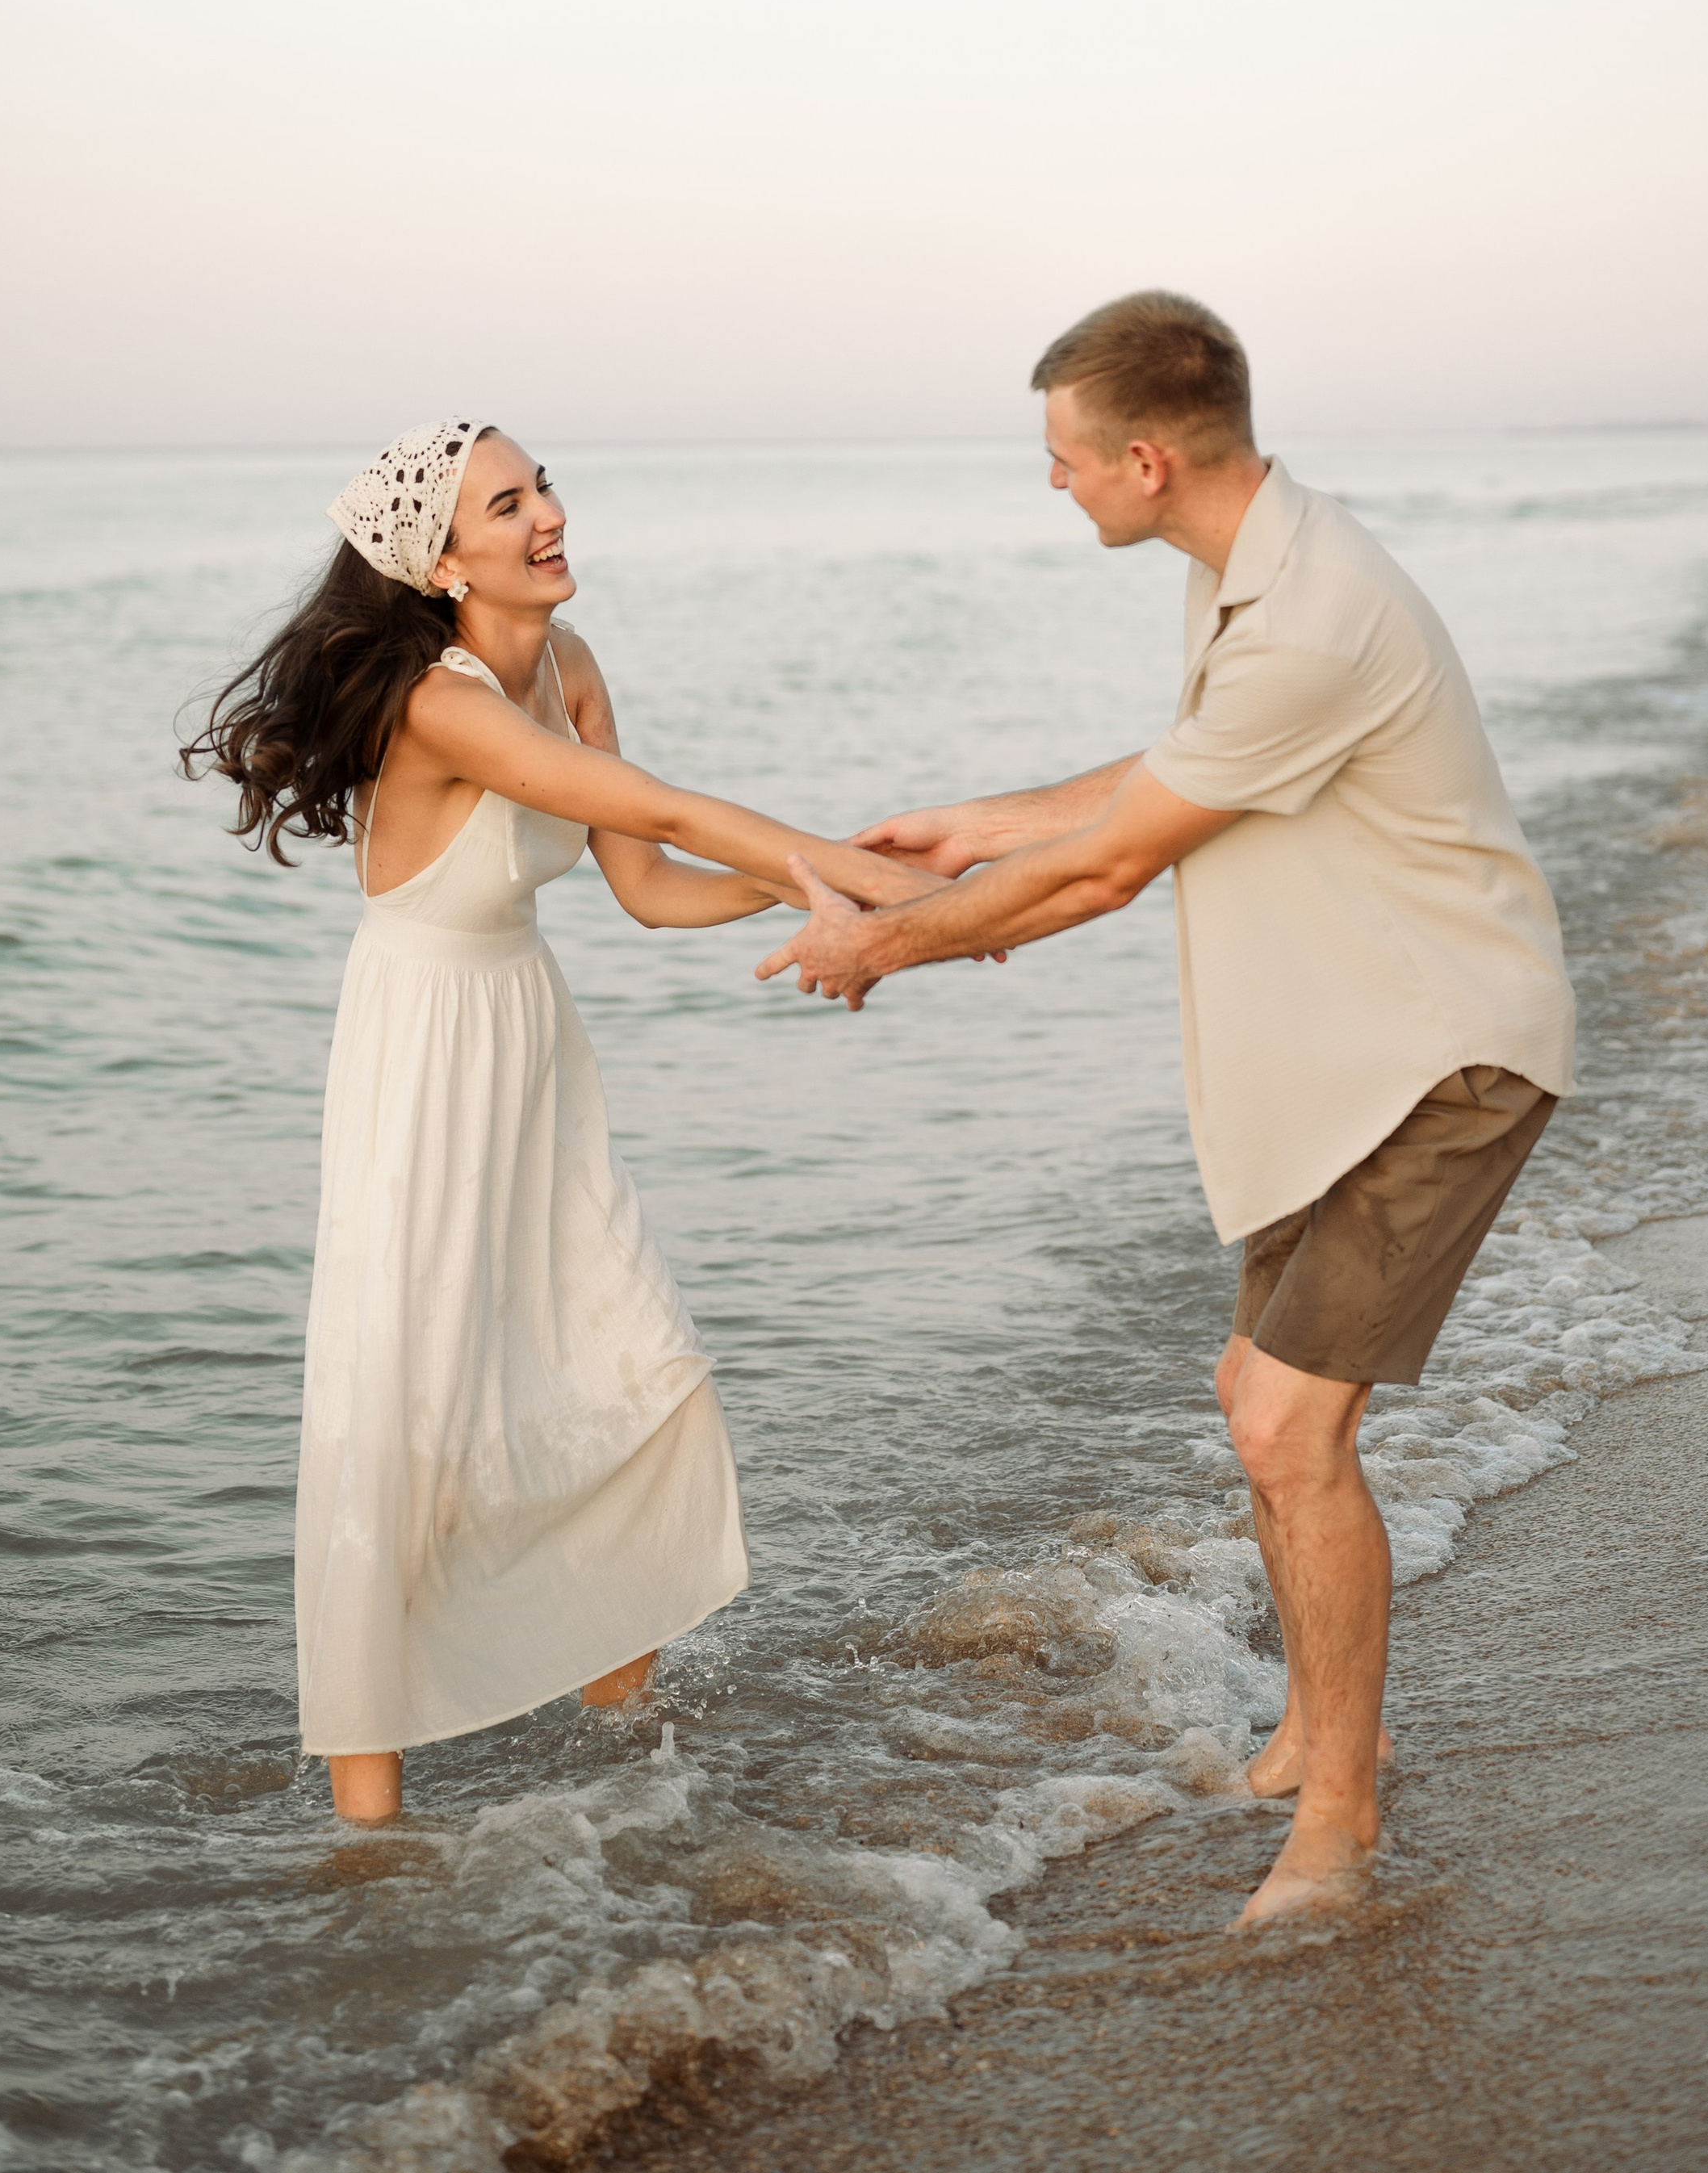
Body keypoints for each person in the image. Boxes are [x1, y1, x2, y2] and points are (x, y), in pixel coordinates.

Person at [758, 293, 1576, 1926]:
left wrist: (888, 943)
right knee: (1251, 1395)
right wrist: (974, 825)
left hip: (1439, 1057)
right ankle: (1310, 1729)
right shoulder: (1251, 562)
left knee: (1289, 1425)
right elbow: (1171, 775)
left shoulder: (1311, 609)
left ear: (1140, 456)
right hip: (1337, 1061)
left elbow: (1123, 861)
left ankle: (1336, 1815)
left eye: (1060, 460)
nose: (1051, 485)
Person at [184, 417, 939, 1827]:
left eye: (544, 489)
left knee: (637, 1368)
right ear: (442, 560)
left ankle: (610, 1738)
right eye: (508, 504)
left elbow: (646, 882)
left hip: (528, 1040)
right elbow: (646, 802)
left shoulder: (572, 667)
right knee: (404, 1405)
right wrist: (865, 880)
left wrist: (835, 903)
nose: (548, 517)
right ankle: (370, 1831)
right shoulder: (438, 702)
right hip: (421, 1053)